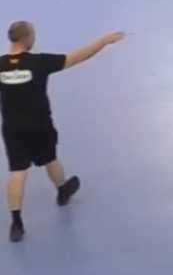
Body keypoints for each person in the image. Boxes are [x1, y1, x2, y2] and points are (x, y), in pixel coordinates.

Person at [4, 22, 124, 243]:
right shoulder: (39, 62)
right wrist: (103, 41)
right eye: (33, 35)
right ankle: (62, 191)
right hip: (39, 125)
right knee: (50, 159)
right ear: (26, 38)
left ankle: (16, 223)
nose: (35, 39)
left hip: (13, 128)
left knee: (17, 172)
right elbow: (77, 57)